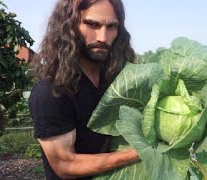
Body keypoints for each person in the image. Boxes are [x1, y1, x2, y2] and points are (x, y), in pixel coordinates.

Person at [28, 0, 139, 179]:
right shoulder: (51, 92)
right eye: (92, 24)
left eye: (111, 26)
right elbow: (65, 165)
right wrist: (139, 152)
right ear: (68, 26)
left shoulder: (117, 81)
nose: (103, 37)